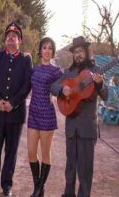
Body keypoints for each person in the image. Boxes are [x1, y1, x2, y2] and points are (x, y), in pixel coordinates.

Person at [50, 36, 108, 197]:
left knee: (86, 168)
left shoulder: (96, 71)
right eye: (75, 52)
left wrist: (100, 84)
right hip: (71, 127)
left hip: (87, 128)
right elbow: (53, 86)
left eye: (81, 51)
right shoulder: (68, 73)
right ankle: (68, 194)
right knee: (70, 166)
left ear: (86, 52)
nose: (78, 55)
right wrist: (63, 90)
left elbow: (106, 95)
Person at [0, 22, 32, 196]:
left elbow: (27, 84)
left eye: (14, 36)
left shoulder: (26, 59)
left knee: (11, 153)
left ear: (19, 40)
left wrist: (13, 102)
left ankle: (7, 185)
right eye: (8, 36)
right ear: (5, 40)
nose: (11, 39)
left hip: (15, 113)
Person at [27, 37, 62, 197]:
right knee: (31, 152)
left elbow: (62, 89)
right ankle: (39, 188)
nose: (47, 51)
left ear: (52, 52)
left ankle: (38, 190)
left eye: (50, 48)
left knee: (45, 154)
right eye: (44, 47)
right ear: (40, 50)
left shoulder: (56, 72)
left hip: (47, 114)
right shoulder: (34, 70)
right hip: (33, 113)